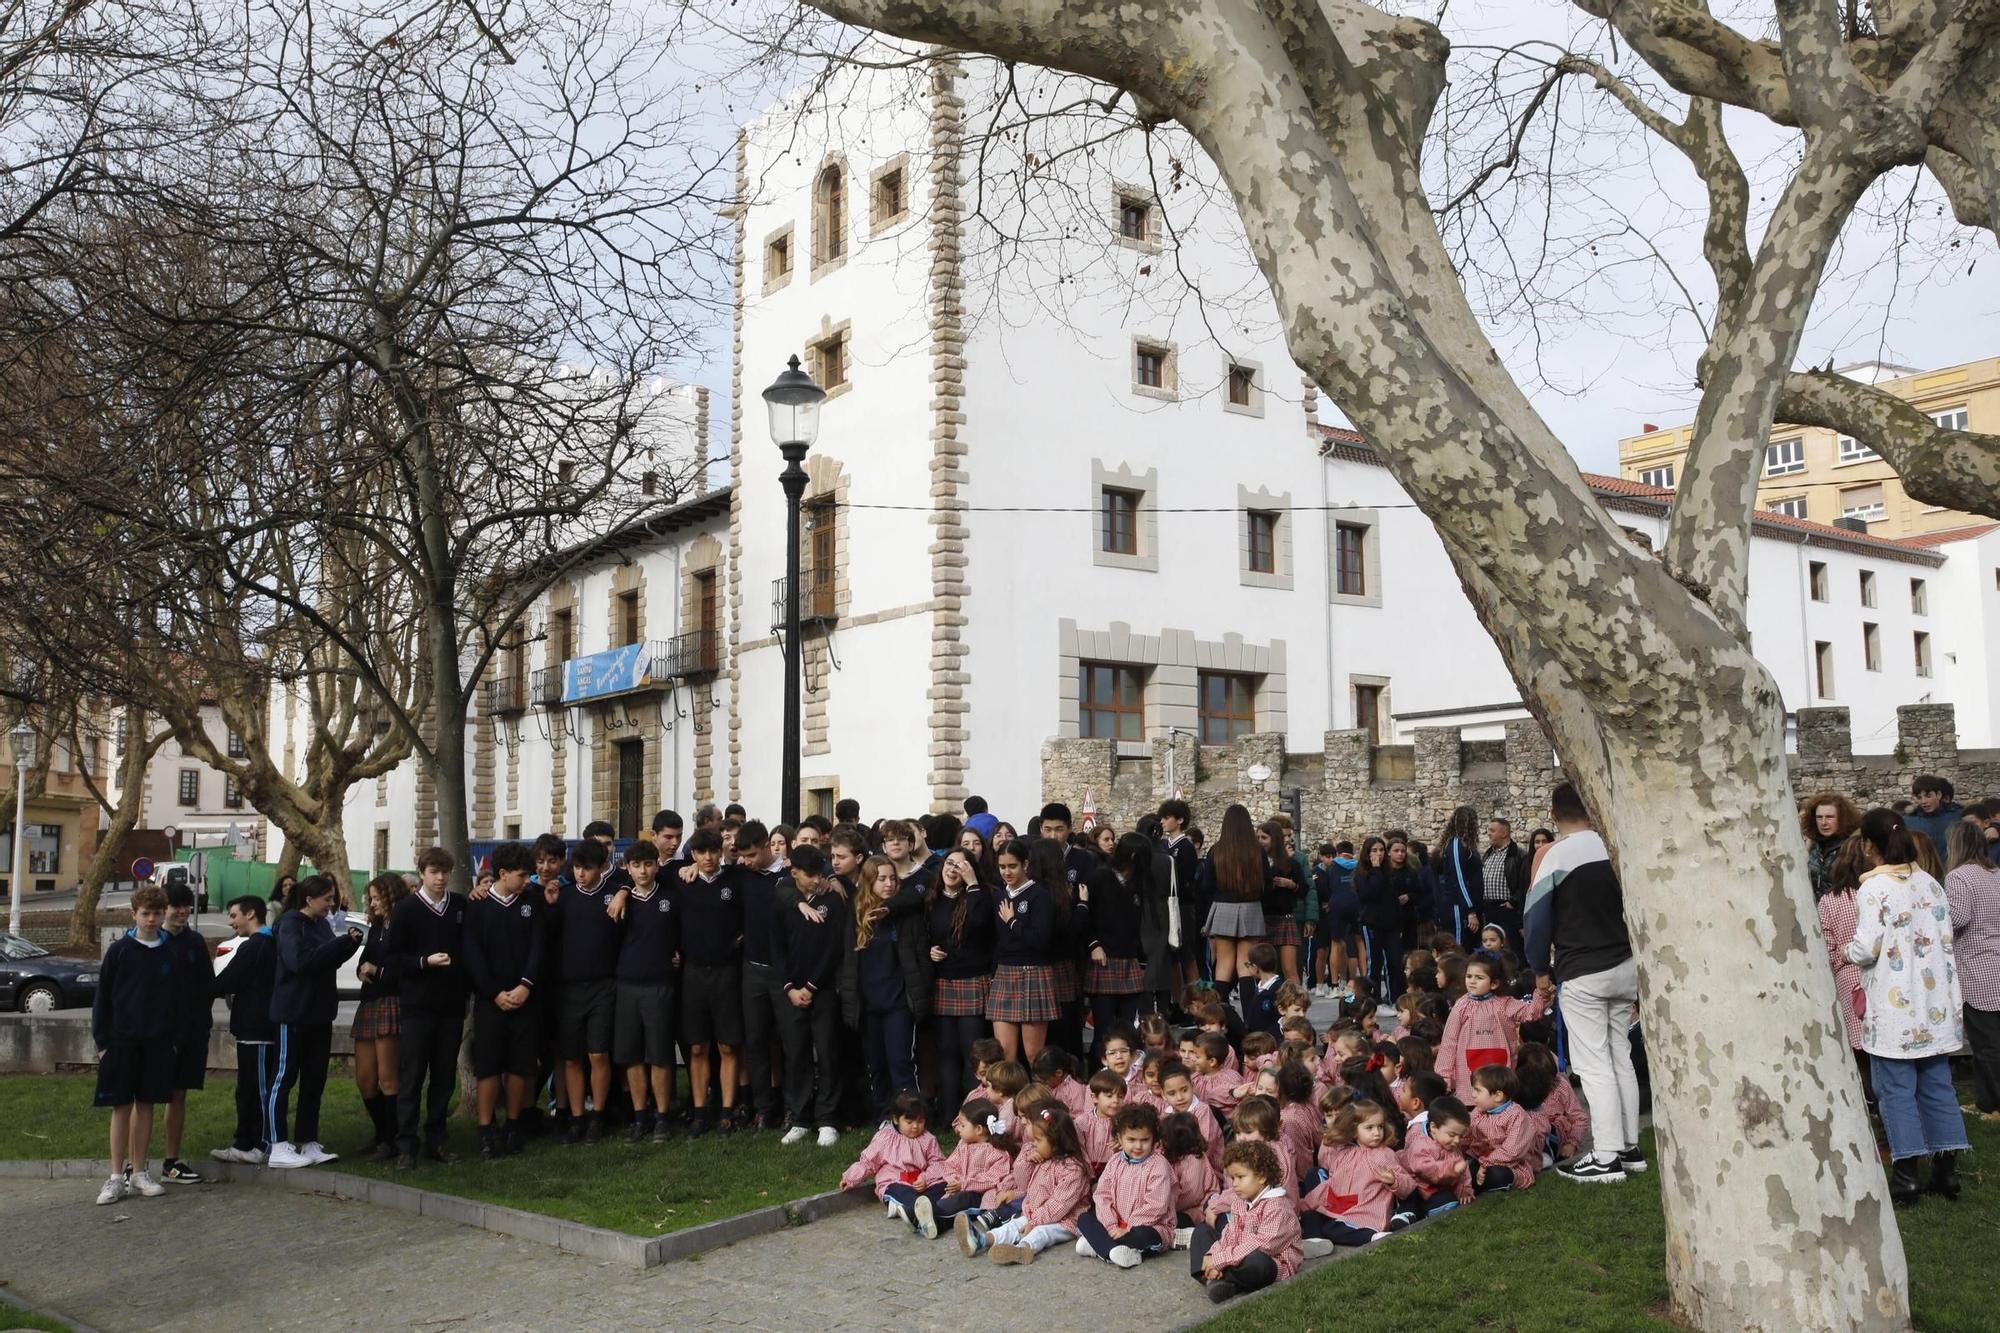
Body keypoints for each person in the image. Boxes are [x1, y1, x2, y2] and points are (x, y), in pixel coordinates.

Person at [1847, 807, 1969, 1205]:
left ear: (1869, 845)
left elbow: (1867, 947)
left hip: (1896, 1005)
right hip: (1934, 1002)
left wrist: (1848, 952)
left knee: (1896, 1091)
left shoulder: (1874, 889)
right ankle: (1946, 1172)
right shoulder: (1931, 883)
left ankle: (1906, 1177)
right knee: (1937, 1086)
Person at [1524, 783, 1641, 1184]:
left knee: (1594, 1064)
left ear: (1553, 816)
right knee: (1619, 1056)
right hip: (1625, 964)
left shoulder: (1556, 855)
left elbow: (1536, 920)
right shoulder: (1616, 845)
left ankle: (1606, 1156)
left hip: (1582, 968)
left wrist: (1539, 968)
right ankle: (1629, 1147)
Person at [266, 875, 364, 1170]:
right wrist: (340, 946)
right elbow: (300, 962)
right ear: (309, 899)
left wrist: (348, 945)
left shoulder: (322, 924)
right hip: (292, 1013)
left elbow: (326, 960)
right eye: (327, 900)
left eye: (333, 899)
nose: (331, 905)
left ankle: (308, 1141)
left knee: (314, 1080)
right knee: (283, 1079)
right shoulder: (290, 924)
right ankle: (277, 1145)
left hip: (319, 1014)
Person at [92, 884, 178, 1204]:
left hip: (156, 1043)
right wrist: (103, 1043)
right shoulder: (120, 951)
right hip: (121, 1042)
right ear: (134, 915)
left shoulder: (170, 952)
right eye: (146, 914)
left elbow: (175, 1000)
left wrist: (172, 1040)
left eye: (157, 913)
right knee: (121, 1107)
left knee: (147, 1106)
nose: (152, 919)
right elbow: (103, 1000)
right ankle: (116, 1176)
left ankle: (140, 1172)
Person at [463, 840, 546, 1159]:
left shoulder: (532, 901)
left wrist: (525, 986)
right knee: (489, 1067)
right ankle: (485, 1129)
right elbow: (472, 954)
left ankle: (514, 1126)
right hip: (490, 1002)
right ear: (502, 873)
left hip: (525, 998)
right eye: (523, 875)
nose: (528, 881)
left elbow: (539, 946)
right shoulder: (479, 906)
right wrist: (493, 993)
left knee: (520, 1067)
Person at [389, 847, 468, 1168]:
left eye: (445, 872)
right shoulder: (406, 909)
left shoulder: (460, 906)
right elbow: (393, 959)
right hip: (417, 1008)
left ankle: (437, 1140)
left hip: (450, 1007)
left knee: (444, 1078)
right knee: (412, 1076)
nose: (440, 878)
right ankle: (406, 1145)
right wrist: (424, 961)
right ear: (421, 873)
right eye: (434, 872)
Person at [841, 854, 932, 1121]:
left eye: (893, 878)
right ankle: (884, 1118)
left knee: (901, 1062)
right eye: (882, 879)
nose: (889, 884)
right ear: (869, 881)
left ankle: (911, 1118)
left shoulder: (905, 914)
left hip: (899, 1004)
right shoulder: (856, 913)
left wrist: (919, 994)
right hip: (869, 1005)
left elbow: (920, 957)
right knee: (877, 1066)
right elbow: (848, 961)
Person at [547, 836, 622, 1144]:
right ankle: (577, 1116)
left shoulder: (613, 895)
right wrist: (550, 906)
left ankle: (598, 1115)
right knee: (572, 1057)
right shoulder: (562, 897)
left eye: (587, 868)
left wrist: (623, 891)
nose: (581, 874)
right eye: (577, 868)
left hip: (603, 985)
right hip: (569, 988)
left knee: (598, 1053)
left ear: (601, 868)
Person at [774, 844, 850, 1147]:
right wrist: (790, 988)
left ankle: (828, 1118)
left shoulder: (832, 900)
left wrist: (811, 986)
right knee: (796, 1054)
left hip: (824, 989)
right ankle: (801, 1117)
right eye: (811, 875)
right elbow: (776, 947)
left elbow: (834, 948)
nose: (818, 879)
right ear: (794, 874)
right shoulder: (782, 900)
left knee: (828, 1052)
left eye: (821, 873)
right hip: (791, 991)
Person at [957, 1102, 1091, 1263]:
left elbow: (1058, 1205)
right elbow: (1023, 1182)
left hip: (1066, 1220)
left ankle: (1023, 1249)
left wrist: (1035, 1222)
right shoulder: (1044, 1159)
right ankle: (982, 1240)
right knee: (1012, 1226)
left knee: (1041, 1233)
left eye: (1038, 1140)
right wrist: (1027, 1162)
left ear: (1056, 1142)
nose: (1034, 1144)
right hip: (1036, 1213)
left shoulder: (1073, 1170)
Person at [679, 827, 746, 1135]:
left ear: (721, 851)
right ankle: (699, 1111)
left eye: (712, 851)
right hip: (693, 973)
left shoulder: (735, 880)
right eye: (700, 852)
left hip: (726, 973)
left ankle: (728, 1111)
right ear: (692, 855)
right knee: (697, 1047)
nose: (707, 858)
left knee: (728, 1046)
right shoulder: (682, 882)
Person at [1187, 1139, 1301, 1304]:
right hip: (1237, 1255)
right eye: (1232, 1178)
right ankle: (1218, 1279)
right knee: (1202, 1231)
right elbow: (1230, 1234)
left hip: (1271, 1261)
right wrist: (1213, 1255)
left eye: (1240, 1177)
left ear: (1261, 1176)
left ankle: (1219, 1277)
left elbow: (1261, 1245)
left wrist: (1220, 1260)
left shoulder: (1278, 1208)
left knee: (1258, 1262)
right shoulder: (1241, 1202)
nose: (1235, 1184)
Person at [210, 895, 279, 1166]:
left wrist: (201, 988)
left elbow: (228, 979)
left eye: (234, 915)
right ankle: (244, 1141)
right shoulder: (263, 944)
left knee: (257, 1088)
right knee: (247, 1088)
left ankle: (261, 1144)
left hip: (258, 1029)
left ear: (251, 915)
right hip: (252, 1029)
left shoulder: (258, 946)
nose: (231, 921)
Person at [926, 849, 995, 1116]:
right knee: (945, 1051)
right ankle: (947, 1113)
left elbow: (980, 924)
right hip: (944, 980)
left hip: (972, 979)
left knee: (971, 1051)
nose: (953, 869)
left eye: (961, 865)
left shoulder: (979, 895)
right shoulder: (932, 899)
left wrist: (973, 884)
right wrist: (930, 951)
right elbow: (925, 935)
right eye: (949, 863)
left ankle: (972, 1111)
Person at [156, 881, 212, 1185]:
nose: (181, 911)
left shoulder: (194, 942)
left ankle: (170, 1162)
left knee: (178, 1094)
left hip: (189, 1033)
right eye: (175, 906)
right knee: (144, 1097)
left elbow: (207, 985)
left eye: (185, 905)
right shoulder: (150, 940)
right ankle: (131, 1164)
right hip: (156, 1034)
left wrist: (198, 1023)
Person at [899, 1097, 1018, 1240]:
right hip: (958, 1186)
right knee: (939, 1187)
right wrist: (953, 1180)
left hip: (978, 1195)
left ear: (979, 1129)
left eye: (962, 1125)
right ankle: (918, 1214)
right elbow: (950, 1165)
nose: (958, 1129)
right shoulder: (964, 1144)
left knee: (960, 1200)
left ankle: (933, 1216)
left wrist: (964, 1184)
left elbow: (990, 1180)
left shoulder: (997, 1153)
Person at [1944, 821, 2000, 1121]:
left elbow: (1958, 916)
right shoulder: (1996, 874)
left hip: (1978, 969)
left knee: (1986, 1045)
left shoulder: (1958, 876)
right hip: (1997, 961)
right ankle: (1987, 1100)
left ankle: (1992, 1105)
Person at [1074, 1103, 1174, 1267]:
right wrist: (1111, 1224)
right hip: (1115, 1224)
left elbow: (1157, 1205)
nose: (1138, 1146)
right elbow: (1102, 1195)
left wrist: (1129, 1227)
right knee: (1084, 1218)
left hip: (1147, 1225)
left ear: (1154, 1139)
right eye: (1131, 1140)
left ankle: (1102, 1247)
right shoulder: (1115, 1161)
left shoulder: (1159, 1165)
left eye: (1144, 1140)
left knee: (1145, 1236)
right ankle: (1114, 1250)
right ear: (1119, 1138)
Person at [351, 873, 408, 1162]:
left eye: (377, 897)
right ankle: (381, 1132)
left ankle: (393, 1138)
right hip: (369, 1002)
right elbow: (365, 961)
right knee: (365, 1079)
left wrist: (376, 970)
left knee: (388, 1078)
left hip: (390, 1002)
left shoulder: (401, 925)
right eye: (370, 898)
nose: (373, 903)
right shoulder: (376, 927)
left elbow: (398, 966)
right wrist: (364, 969)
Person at [986, 840, 1059, 1063]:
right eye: (1002, 867)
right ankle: (1009, 1098)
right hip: (1005, 973)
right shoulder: (998, 896)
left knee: (1034, 1055)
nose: (1007, 872)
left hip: (1034, 973)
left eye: (1012, 866)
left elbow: (1040, 940)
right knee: (1005, 1055)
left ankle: (1039, 1098)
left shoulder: (1039, 896)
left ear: (1025, 864)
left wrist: (1013, 922)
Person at [1434, 953, 1547, 1096]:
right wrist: (1444, 1073)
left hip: (1500, 1067)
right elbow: (1449, 1040)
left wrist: (1541, 993)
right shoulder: (1462, 1005)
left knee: (1499, 1098)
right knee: (1473, 1101)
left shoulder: (1505, 1004)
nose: (1472, 981)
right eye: (1469, 976)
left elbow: (1531, 1013)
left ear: (1494, 983)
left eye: (1479, 977)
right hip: (1467, 1071)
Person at [1816, 834, 1874, 1106]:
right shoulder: (1879, 893)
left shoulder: (1830, 900)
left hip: (1847, 978)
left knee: (1860, 1049)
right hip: (1882, 975)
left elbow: (1827, 947)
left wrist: (1839, 962)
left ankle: (1871, 1105)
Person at [1199, 805, 1271, 1018]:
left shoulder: (1217, 850)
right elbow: (1267, 883)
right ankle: (1250, 1018)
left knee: (1223, 965)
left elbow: (1206, 885)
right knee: (1245, 966)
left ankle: (1213, 1017)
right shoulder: (1256, 850)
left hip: (1223, 907)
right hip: (1250, 907)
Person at [841, 1090, 946, 1224]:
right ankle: (912, 1208)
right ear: (896, 1119)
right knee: (899, 1191)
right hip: (896, 1181)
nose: (915, 1126)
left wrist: (926, 1178)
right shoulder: (885, 1138)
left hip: (921, 1183)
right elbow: (868, 1162)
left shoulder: (928, 1139)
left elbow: (938, 1162)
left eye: (920, 1121)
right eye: (909, 1122)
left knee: (942, 1186)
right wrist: (850, 1178)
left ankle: (919, 1208)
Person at [1083, 834, 1149, 1040]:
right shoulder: (1101, 877)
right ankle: (1100, 1070)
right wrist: (1093, 945)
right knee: (1104, 1032)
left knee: (1127, 1030)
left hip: (1130, 960)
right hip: (1104, 960)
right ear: (1133, 856)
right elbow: (1085, 913)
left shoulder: (1138, 883)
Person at [1464, 1064, 1541, 1192]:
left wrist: (1486, 1163)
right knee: (1465, 1171)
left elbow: (1511, 1151)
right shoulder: (1478, 1111)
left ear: (1498, 1096)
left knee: (1499, 1175)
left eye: (1477, 1090)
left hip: (1509, 1165)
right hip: (1480, 1161)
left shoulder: (1516, 1115)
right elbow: (1467, 1136)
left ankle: (1486, 1184)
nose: (1473, 1094)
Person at [1433, 805, 1484, 951]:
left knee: (1470, 948)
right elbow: (1459, 878)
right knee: (1458, 948)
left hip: (1470, 905)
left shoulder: (1468, 846)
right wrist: (1470, 910)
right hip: (1458, 907)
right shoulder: (1455, 844)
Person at [1801, 792, 1862, 899]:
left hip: (1842, 910)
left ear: (1842, 818)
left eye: (1829, 817)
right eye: (1819, 817)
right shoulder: (1813, 846)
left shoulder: (1853, 847)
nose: (1823, 822)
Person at [1478, 818, 1526, 950]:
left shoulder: (1518, 855)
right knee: (1491, 947)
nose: (1488, 833)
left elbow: (1524, 883)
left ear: (1504, 833)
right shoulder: (1487, 854)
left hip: (1507, 909)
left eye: (1492, 830)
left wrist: (1514, 902)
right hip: (1489, 909)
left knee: (1512, 946)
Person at [1904, 775, 1964, 851]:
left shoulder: (1957, 816)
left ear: (1939, 795)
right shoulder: (1909, 821)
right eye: (1919, 797)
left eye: (1928, 796)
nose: (1924, 801)